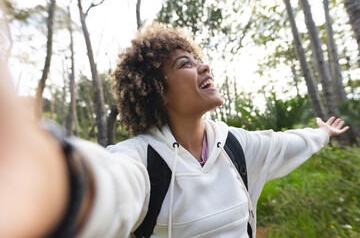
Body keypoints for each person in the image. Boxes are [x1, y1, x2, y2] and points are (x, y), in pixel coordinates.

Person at [0, 19, 349, 238]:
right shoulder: (141, 161)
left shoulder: (235, 146)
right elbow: (112, 183)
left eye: (198, 59)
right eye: (185, 64)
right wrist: (49, 181)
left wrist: (322, 134)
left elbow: (289, 142)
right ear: (158, 90)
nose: (203, 66)